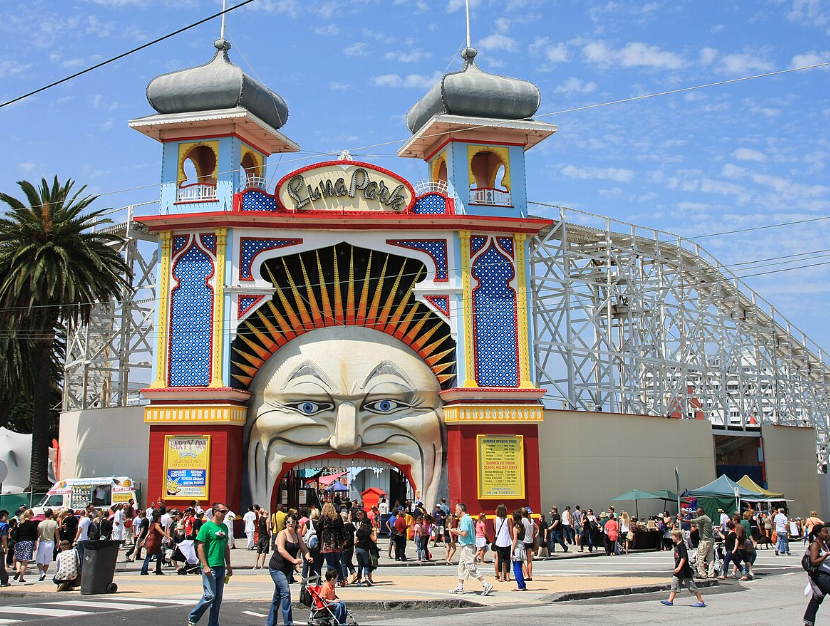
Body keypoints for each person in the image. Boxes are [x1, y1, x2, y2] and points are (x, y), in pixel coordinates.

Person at [189, 503, 233, 626]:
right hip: (210, 566)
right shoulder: (206, 527)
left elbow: (226, 547)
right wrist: (205, 565)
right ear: (215, 512)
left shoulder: (224, 527)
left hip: (220, 566)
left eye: (226, 512)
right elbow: (200, 547)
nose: (225, 514)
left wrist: (228, 564)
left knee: (217, 599)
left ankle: (213, 623)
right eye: (223, 512)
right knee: (210, 595)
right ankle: (193, 617)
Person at [267, 514, 312, 626]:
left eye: (292, 521)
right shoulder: (282, 534)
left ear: (296, 523)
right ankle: (288, 623)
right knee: (286, 592)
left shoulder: (297, 534)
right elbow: (281, 550)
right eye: (288, 522)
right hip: (276, 568)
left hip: (287, 569)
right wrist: (293, 560)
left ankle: (270, 623)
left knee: (277, 596)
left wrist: (308, 557)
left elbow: (304, 548)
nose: (290, 524)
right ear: (285, 524)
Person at [448, 502, 493, 596]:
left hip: (467, 545)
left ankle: (485, 584)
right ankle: (460, 586)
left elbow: (464, 534)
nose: (455, 511)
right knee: (462, 565)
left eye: (456, 509)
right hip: (467, 545)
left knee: (470, 566)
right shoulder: (468, 519)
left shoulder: (464, 520)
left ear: (460, 510)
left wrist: (455, 531)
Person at [660, 529, 706, 608]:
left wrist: (679, 567)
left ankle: (700, 600)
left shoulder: (682, 545)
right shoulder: (677, 545)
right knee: (674, 584)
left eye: (673, 536)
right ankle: (670, 600)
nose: (672, 538)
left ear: (677, 537)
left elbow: (683, 558)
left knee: (691, 586)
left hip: (684, 570)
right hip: (678, 570)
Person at [804, 523, 830, 625]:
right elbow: (814, 561)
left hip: (826, 575)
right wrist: (826, 555)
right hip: (821, 576)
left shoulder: (824, 544)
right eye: (825, 532)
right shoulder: (815, 545)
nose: (827, 533)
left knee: (816, 599)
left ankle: (808, 623)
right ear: (818, 533)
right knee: (816, 599)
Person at [320, 502, 346, 584]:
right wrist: (343, 540)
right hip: (337, 542)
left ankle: (330, 579)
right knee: (337, 562)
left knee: (330, 562)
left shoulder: (324, 517)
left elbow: (318, 528)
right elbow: (342, 529)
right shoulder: (337, 517)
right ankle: (341, 579)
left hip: (327, 541)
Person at [686, 507, 714, 578]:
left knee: (699, 557)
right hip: (710, 539)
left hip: (705, 540)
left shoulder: (703, 518)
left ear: (702, 512)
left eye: (698, 513)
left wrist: (682, 519)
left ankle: (702, 574)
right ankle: (711, 573)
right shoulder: (707, 518)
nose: (698, 514)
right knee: (710, 558)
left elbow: (693, 521)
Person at [140, 510, 169, 575]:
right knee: (149, 557)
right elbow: (161, 531)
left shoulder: (152, 524)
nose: (160, 519)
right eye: (160, 517)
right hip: (154, 543)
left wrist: (145, 540)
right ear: (158, 517)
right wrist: (168, 537)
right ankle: (144, 571)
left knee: (158, 556)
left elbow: (148, 533)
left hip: (153, 542)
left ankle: (156, 570)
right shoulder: (156, 524)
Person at [13, 509, 38, 583]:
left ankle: (17, 570)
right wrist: (35, 545)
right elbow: (34, 536)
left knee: (18, 559)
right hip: (28, 542)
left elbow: (15, 534)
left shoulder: (20, 523)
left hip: (19, 542)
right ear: (30, 515)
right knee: (25, 561)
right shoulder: (33, 524)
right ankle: (21, 578)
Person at [35, 508, 59, 581]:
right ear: (51, 515)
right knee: (47, 560)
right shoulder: (54, 523)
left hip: (43, 541)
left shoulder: (41, 523)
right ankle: (43, 573)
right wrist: (58, 542)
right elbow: (57, 534)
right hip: (51, 542)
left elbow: (38, 534)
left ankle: (42, 572)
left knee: (39, 560)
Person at [354, 517, 377, 586]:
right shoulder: (368, 531)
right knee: (366, 564)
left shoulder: (359, 531)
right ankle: (367, 577)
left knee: (360, 565)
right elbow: (374, 540)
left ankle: (359, 580)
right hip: (365, 549)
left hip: (358, 548)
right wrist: (375, 531)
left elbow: (355, 542)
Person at [493, 503, 511, 582]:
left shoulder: (495, 519)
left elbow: (495, 529)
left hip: (499, 541)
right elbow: (510, 531)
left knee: (499, 559)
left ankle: (500, 576)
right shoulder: (508, 519)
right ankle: (507, 576)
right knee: (507, 559)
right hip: (507, 540)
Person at [510, 509, 527, 591]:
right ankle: (523, 584)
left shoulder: (515, 528)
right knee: (520, 565)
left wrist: (511, 551)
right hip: (522, 545)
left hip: (517, 547)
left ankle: (520, 585)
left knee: (516, 567)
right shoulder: (522, 527)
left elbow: (515, 540)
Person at [0, 510, 9, 587]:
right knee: (1, 565)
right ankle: (4, 581)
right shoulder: (3, 526)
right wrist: (6, 548)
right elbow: (4, 538)